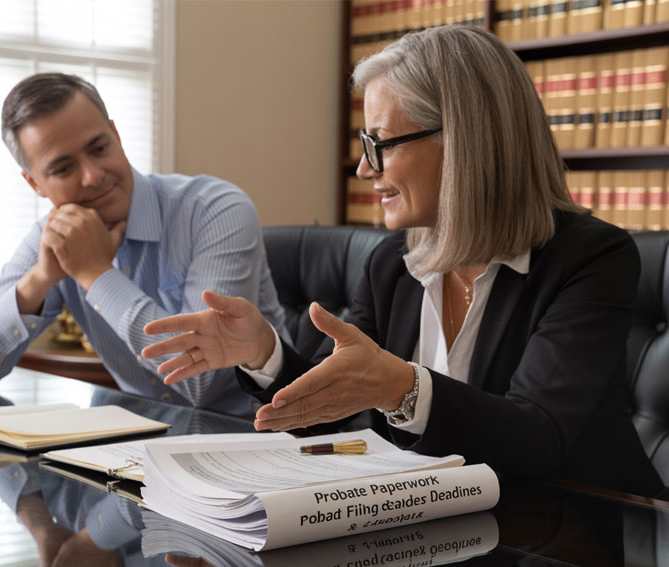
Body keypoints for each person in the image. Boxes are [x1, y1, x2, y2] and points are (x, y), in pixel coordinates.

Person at [142, 25, 665, 497]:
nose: (367, 171)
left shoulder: (592, 258)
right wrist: (263, 353)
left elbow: (540, 437)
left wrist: (402, 387)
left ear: (463, 141)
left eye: (381, 144)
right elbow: (331, 413)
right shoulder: (393, 261)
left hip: (574, 542)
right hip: (440, 532)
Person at [0, 73, 287, 417]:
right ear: (35, 184)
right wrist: (39, 279)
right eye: (64, 168)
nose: (93, 176)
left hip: (254, 439)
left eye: (99, 148)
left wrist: (94, 274)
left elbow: (200, 382)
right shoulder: (55, 238)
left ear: (117, 134)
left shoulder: (216, 209)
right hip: (140, 447)